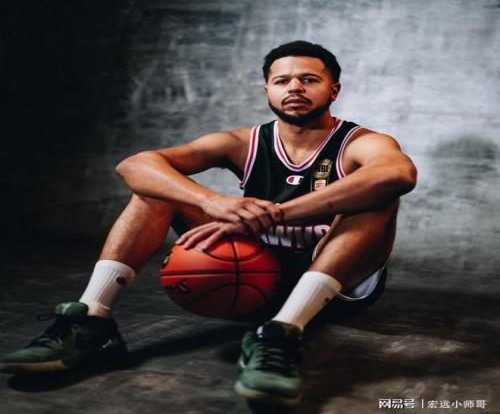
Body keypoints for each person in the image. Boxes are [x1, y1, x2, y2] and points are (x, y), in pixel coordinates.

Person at [0, 40, 417, 406]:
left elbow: (397, 174)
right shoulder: (242, 142)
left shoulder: (361, 142)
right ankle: (92, 318)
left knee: (379, 194)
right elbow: (135, 165)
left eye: (308, 79)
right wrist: (211, 201)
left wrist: (278, 212)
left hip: (335, 287)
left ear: (333, 90)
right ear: (268, 90)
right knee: (156, 187)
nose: (294, 87)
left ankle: (280, 333)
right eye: (282, 80)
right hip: (252, 278)